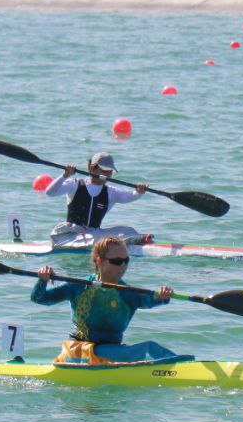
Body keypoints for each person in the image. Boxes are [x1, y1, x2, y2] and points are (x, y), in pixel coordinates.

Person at [31, 237, 189, 365]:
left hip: (112, 352)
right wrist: (42, 281)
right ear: (99, 261)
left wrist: (163, 296)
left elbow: (151, 300)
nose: (123, 266)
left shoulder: (129, 294)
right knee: (149, 348)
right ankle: (183, 369)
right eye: (117, 261)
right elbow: (39, 299)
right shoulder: (78, 287)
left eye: (126, 261)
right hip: (80, 352)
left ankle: (182, 367)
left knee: (148, 348)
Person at [43, 151, 151, 247]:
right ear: (92, 168)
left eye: (110, 172)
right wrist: (64, 176)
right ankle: (124, 243)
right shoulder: (74, 184)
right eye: (105, 171)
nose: (108, 174)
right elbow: (50, 192)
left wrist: (139, 191)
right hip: (70, 235)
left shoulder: (110, 192)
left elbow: (129, 196)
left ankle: (131, 241)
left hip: (95, 234)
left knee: (128, 230)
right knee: (97, 238)